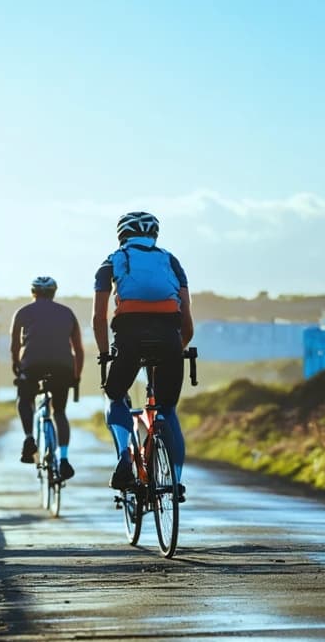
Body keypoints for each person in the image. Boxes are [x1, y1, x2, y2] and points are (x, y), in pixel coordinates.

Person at [93, 211, 195, 501]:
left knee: (115, 396)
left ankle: (125, 457)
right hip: (169, 339)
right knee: (167, 410)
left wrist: (104, 355)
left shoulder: (112, 260)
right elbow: (186, 317)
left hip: (129, 338)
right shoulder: (171, 261)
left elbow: (98, 318)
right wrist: (179, 346)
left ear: (121, 234)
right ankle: (175, 482)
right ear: (154, 236)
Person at [10, 276, 85, 480]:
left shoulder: (23, 312)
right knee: (59, 412)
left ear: (33, 292)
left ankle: (28, 439)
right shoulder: (67, 313)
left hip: (32, 365)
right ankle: (64, 460)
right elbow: (78, 349)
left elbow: (15, 346)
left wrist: (17, 367)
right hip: (63, 367)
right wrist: (76, 376)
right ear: (54, 292)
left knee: (24, 400)